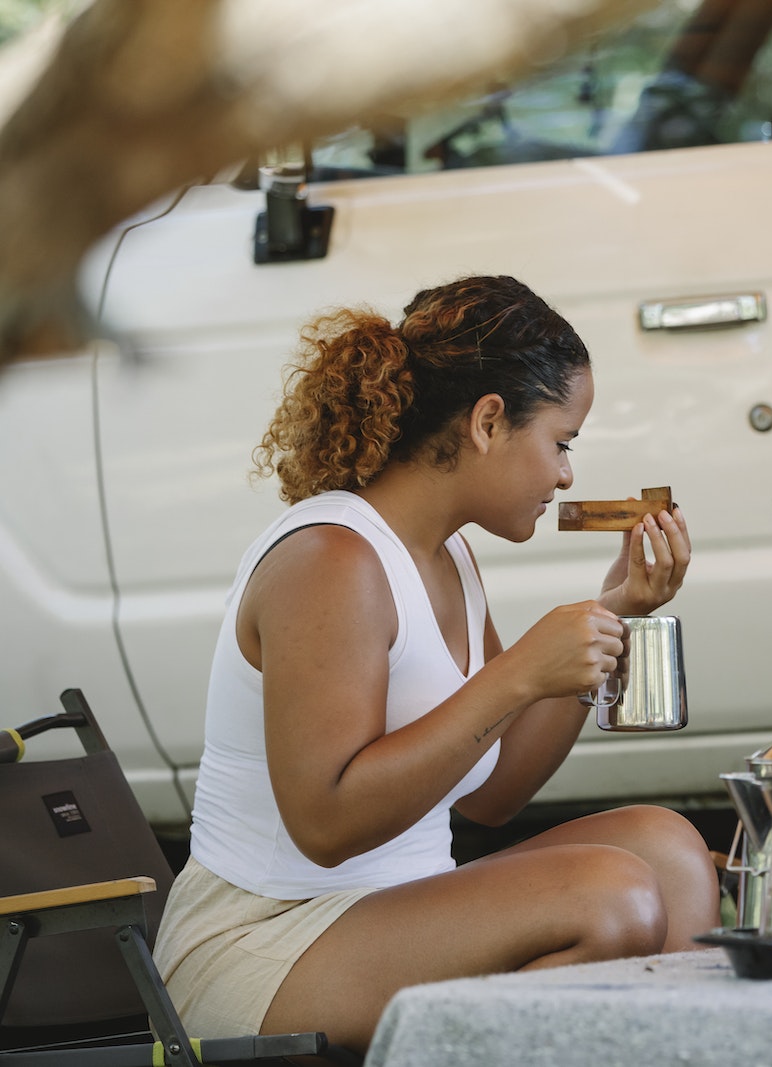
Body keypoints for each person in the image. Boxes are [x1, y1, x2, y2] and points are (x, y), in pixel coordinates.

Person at [152, 275, 721, 1048]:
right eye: (562, 441)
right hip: (263, 939)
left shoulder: (449, 555)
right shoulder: (333, 558)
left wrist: (613, 611)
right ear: (489, 421)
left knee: (671, 853)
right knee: (611, 896)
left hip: (395, 908)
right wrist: (518, 671)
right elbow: (325, 819)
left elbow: (494, 794)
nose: (566, 476)